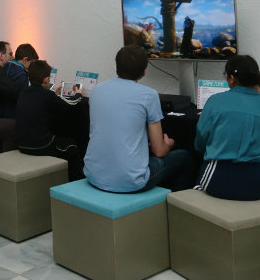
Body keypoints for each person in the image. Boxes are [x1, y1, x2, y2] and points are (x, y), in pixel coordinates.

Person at [83, 44, 193, 193]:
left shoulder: (97, 90)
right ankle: (173, 205)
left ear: (117, 67)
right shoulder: (149, 95)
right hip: (131, 182)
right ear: (144, 71)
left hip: (93, 174)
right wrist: (168, 144)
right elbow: (159, 151)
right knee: (185, 157)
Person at [194, 55, 260, 200]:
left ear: (231, 79)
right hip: (257, 185)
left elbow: (201, 141)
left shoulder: (216, 101)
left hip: (218, 179)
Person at [16, 60, 85, 181]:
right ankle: (77, 182)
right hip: (40, 146)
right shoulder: (47, 95)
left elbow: (41, 100)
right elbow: (71, 103)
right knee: (71, 146)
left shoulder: (23, 92)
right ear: (47, 79)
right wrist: (79, 94)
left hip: (22, 144)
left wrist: (53, 93)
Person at [1, 43, 39, 118]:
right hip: (12, 115)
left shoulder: (4, 66)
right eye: (31, 63)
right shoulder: (21, 75)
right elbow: (23, 99)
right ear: (25, 59)